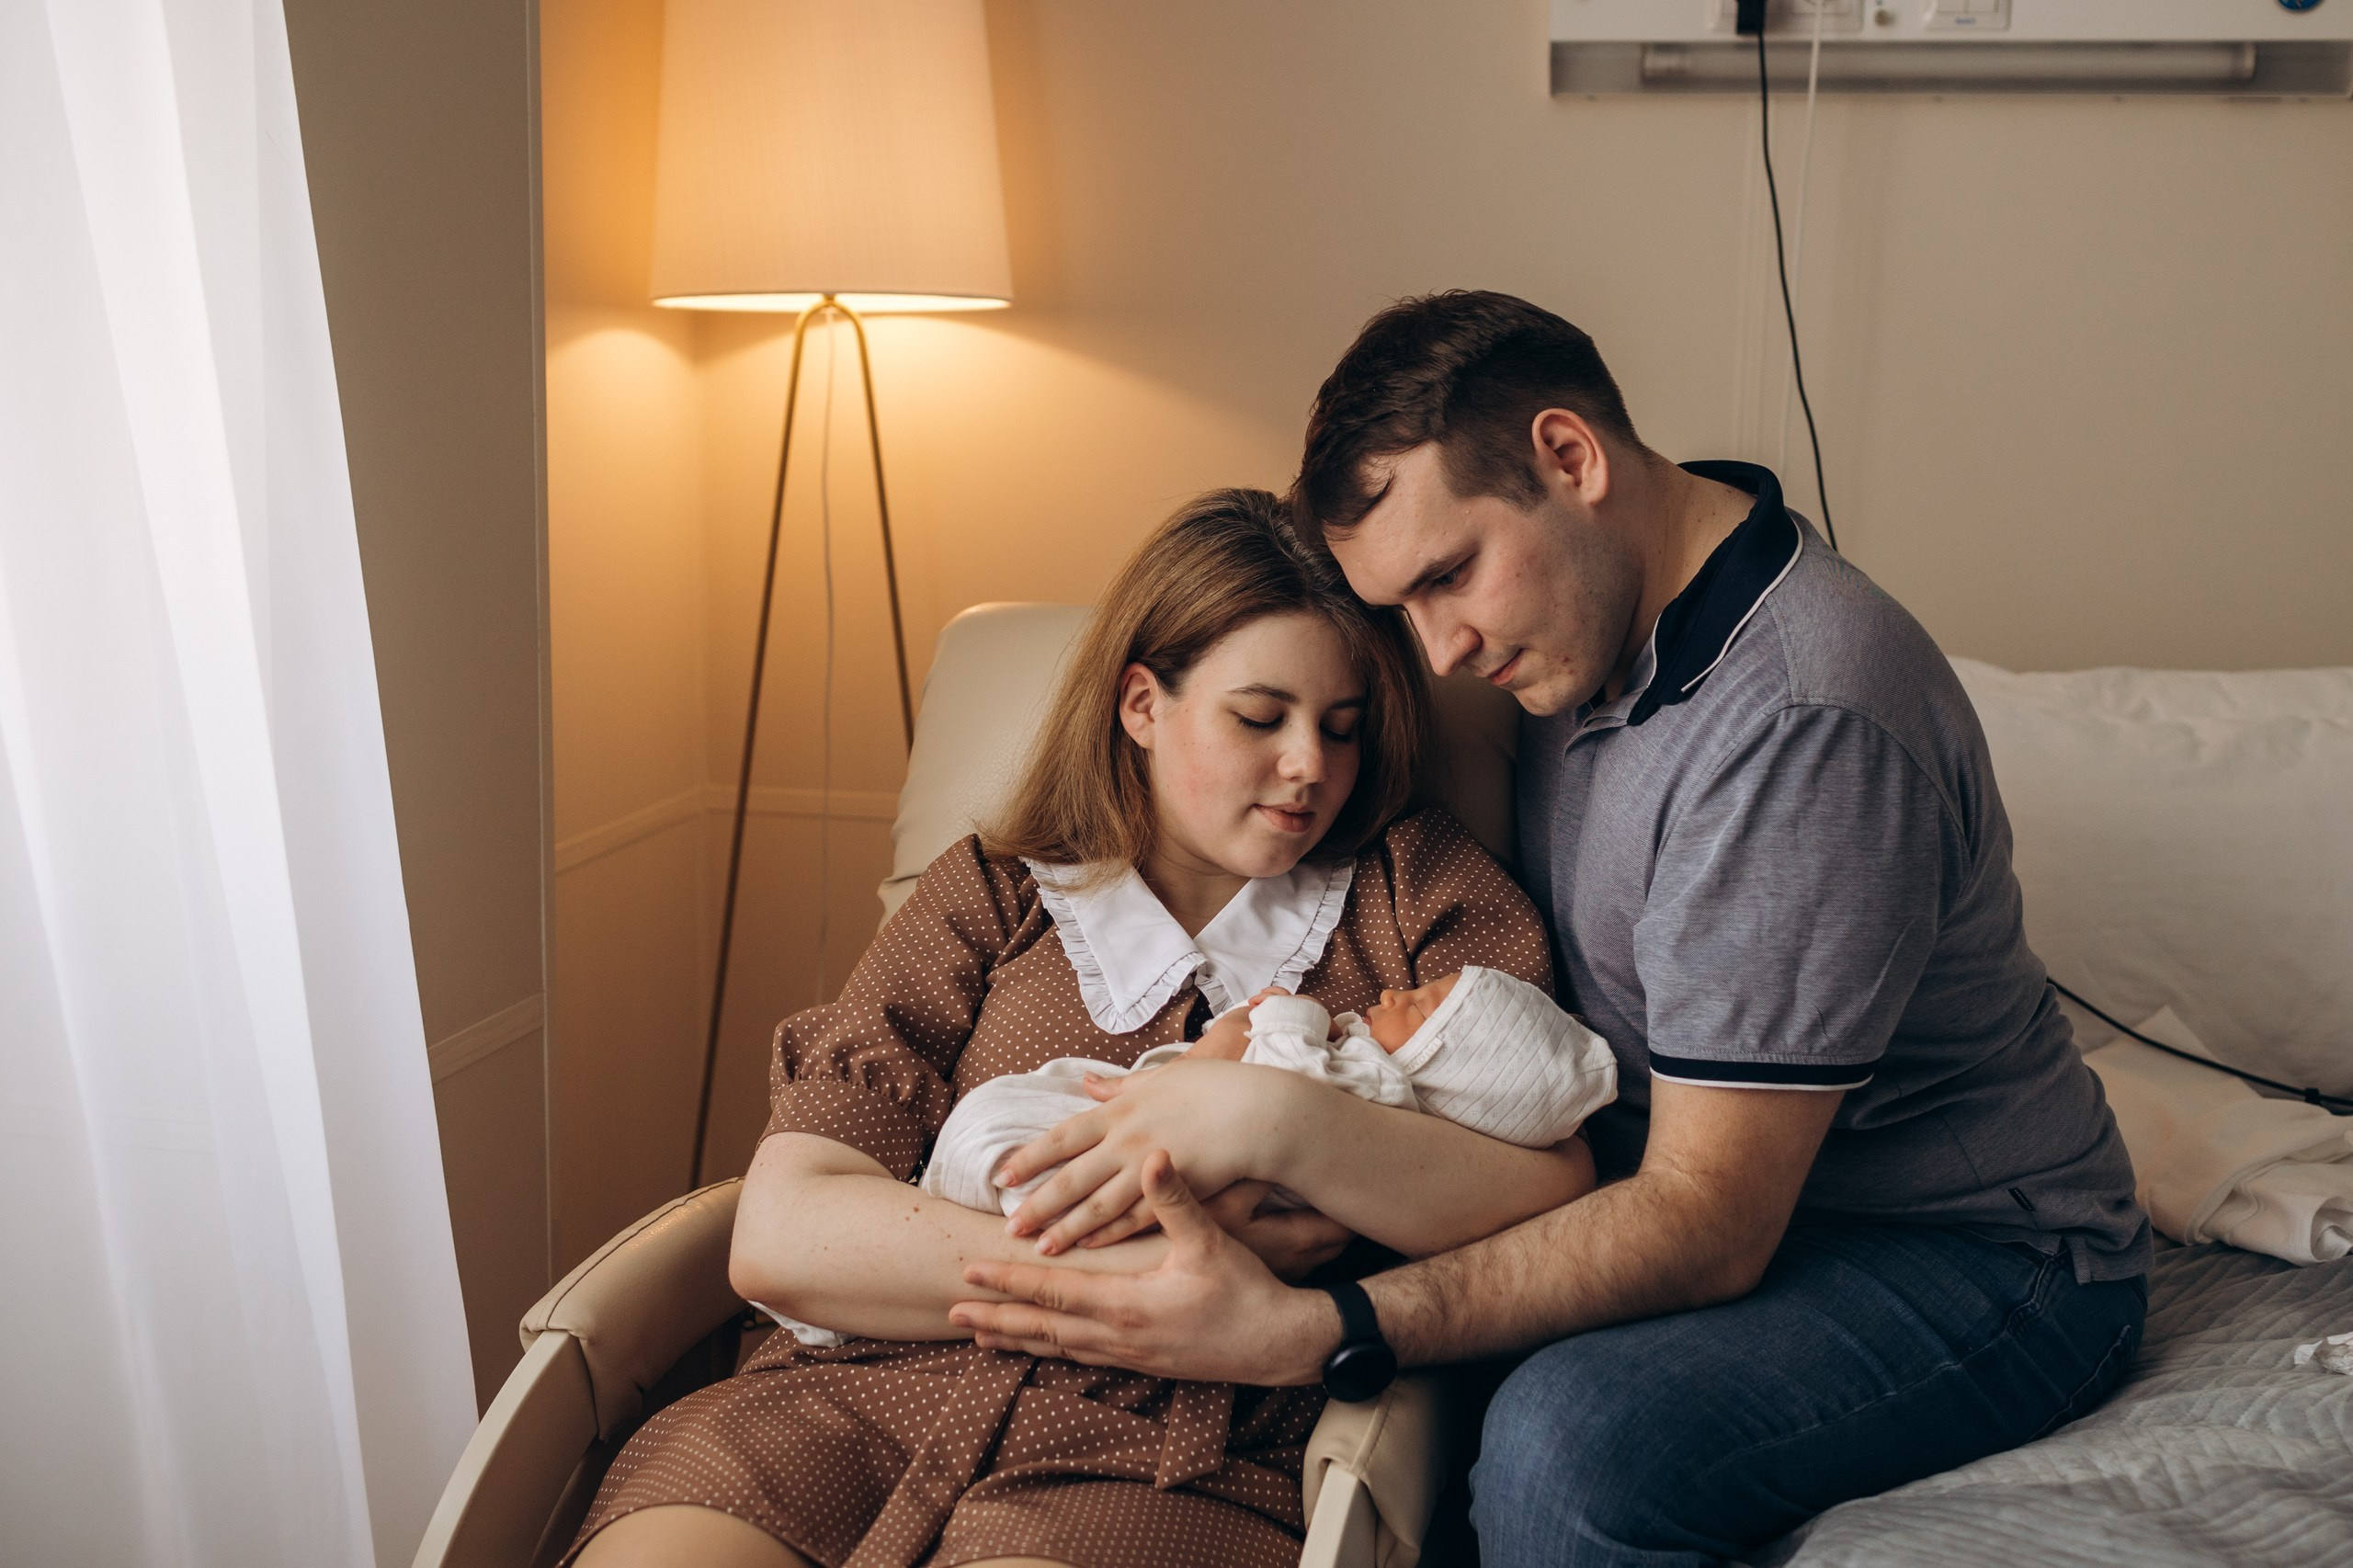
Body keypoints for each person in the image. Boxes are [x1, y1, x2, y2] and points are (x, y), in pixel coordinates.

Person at [949, 292, 2152, 1567]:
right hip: (1696, 1186)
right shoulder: (1586, 628)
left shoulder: (1801, 724)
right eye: (1403, 607)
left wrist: (1322, 1326)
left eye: (1447, 577)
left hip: (1967, 1254)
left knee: (1561, 1447)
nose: (1445, 647)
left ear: (1570, 459)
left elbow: (1708, 1220)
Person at [568, 486, 1583, 1568]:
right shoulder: (989, 894)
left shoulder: (1417, 895)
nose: (1311, 768)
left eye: (1343, 727)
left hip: (1172, 1452)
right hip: (847, 1400)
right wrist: (1147, 1268)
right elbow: (784, 1237)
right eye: (1259, 717)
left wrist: (1271, 1119)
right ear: (1142, 704)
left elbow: (1551, 1191)